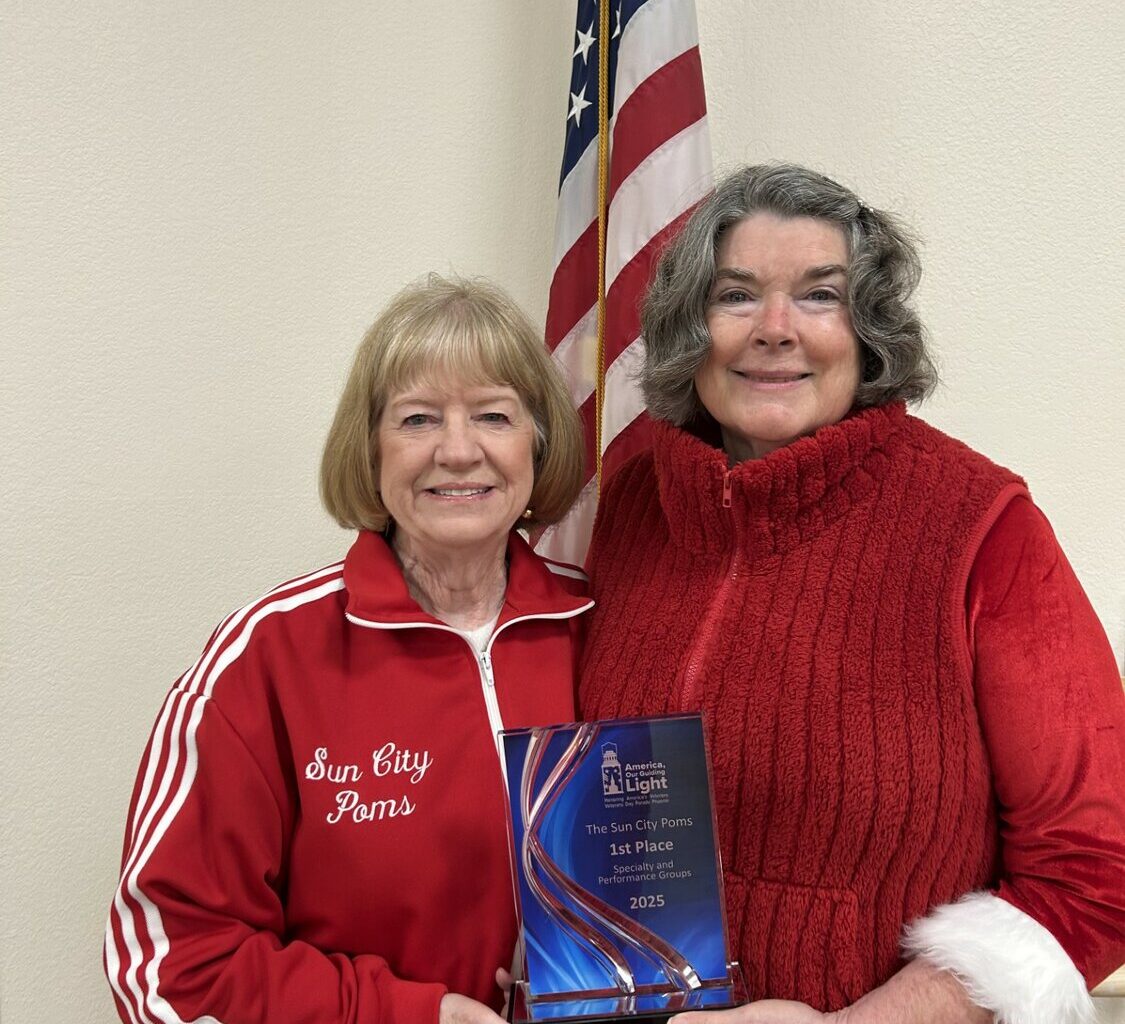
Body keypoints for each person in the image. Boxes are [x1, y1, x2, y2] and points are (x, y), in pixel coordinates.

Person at [578, 164, 1125, 1024]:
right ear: (690, 326)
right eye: (735, 294)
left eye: (819, 295)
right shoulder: (633, 505)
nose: (774, 329)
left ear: (868, 330)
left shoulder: (982, 527)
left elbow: (1096, 870)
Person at [105, 275, 590, 1024]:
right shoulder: (265, 655)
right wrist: (411, 1016)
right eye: (417, 419)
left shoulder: (600, 624)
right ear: (369, 451)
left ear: (539, 442)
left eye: (493, 415)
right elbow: (169, 964)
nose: (457, 451)